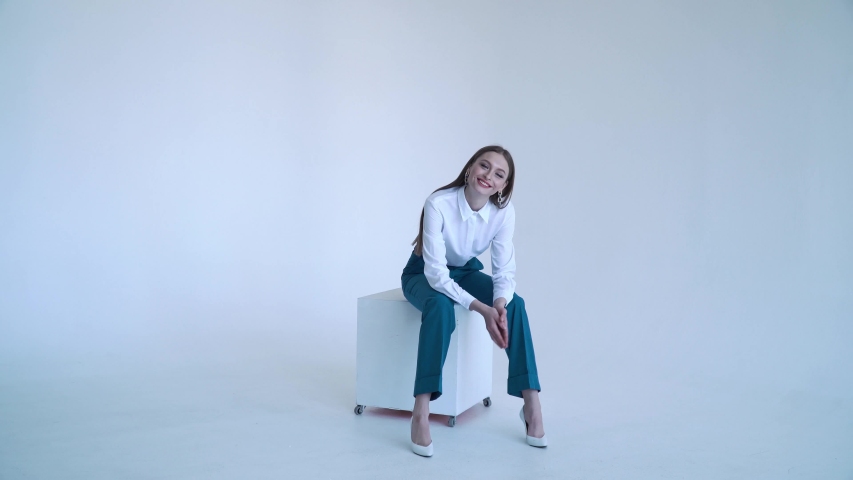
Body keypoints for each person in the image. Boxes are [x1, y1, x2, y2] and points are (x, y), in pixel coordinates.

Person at [401, 145, 547, 457]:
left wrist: (498, 303)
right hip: (423, 274)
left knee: (515, 304)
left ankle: (531, 404)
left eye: (499, 174)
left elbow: (504, 270)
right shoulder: (438, 203)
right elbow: (437, 274)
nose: (488, 176)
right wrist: (480, 308)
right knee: (440, 306)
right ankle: (420, 410)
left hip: (465, 272)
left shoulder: (503, 213)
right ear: (470, 168)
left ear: (503, 185)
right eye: (484, 166)